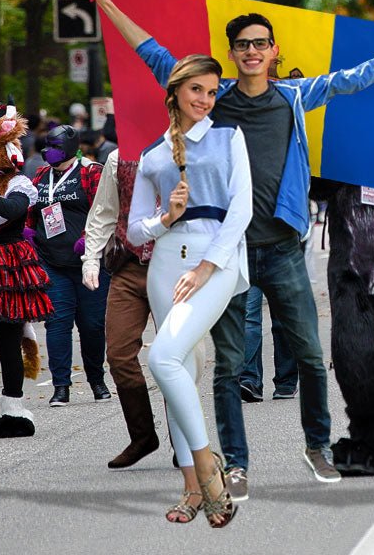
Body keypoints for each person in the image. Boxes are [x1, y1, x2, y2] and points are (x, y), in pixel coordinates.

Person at [96, 0, 374, 498]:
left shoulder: (293, 97)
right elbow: (155, 56)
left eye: (261, 43)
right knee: (230, 367)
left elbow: (352, 79)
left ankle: (318, 446)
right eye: (243, 45)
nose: (252, 51)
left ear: (274, 51)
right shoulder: (213, 99)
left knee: (309, 355)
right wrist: (108, 5)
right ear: (232, 54)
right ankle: (236, 464)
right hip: (227, 252)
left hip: (282, 249)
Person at [128, 53, 249, 526]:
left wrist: (205, 267)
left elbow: (241, 209)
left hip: (214, 261)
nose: (205, 99)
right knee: (179, 371)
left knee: (162, 358)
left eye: (212, 91)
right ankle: (191, 490)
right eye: (197, 89)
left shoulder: (228, 136)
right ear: (176, 90)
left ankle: (207, 470)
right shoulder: (153, 155)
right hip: (165, 264)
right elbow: (135, 231)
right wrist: (166, 218)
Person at [0, 102, 50, 440]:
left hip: (6, 264)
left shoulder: (18, 182)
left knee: (8, 342)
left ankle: (13, 409)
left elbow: (11, 211)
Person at [81, 150, 161, 468]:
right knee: (118, 354)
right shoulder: (118, 158)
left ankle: (185, 440)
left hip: (172, 267)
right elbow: (103, 213)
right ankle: (143, 436)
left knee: (175, 357)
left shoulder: (187, 149)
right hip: (128, 267)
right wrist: (90, 259)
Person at [29, 125, 110, 407]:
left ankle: (97, 380)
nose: (48, 151)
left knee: (92, 325)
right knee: (57, 323)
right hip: (52, 262)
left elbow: (105, 210)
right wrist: (29, 231)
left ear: (70, 147)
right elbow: (32, 210)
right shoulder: (41, 175)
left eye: (55, 146)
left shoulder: (91, 172)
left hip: (89, 262)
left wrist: (89, 240)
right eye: (47, 145)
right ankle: (61, 386)